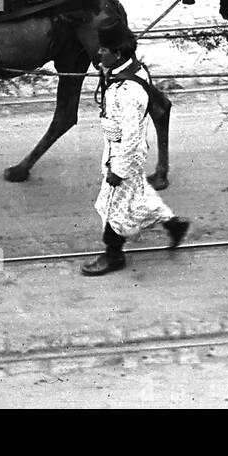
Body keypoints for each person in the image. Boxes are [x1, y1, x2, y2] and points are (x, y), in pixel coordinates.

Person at [81, 26, 188, 277]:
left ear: (117, 53)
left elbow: (131, 137)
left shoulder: (128, 91)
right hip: (121, 151)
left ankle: (114, 255)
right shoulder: (132, 70)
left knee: (112, 206)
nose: (98, 53)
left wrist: (118, 170)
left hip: (124, 155)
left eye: (103, 50)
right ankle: (174, 226)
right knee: (139, 197)